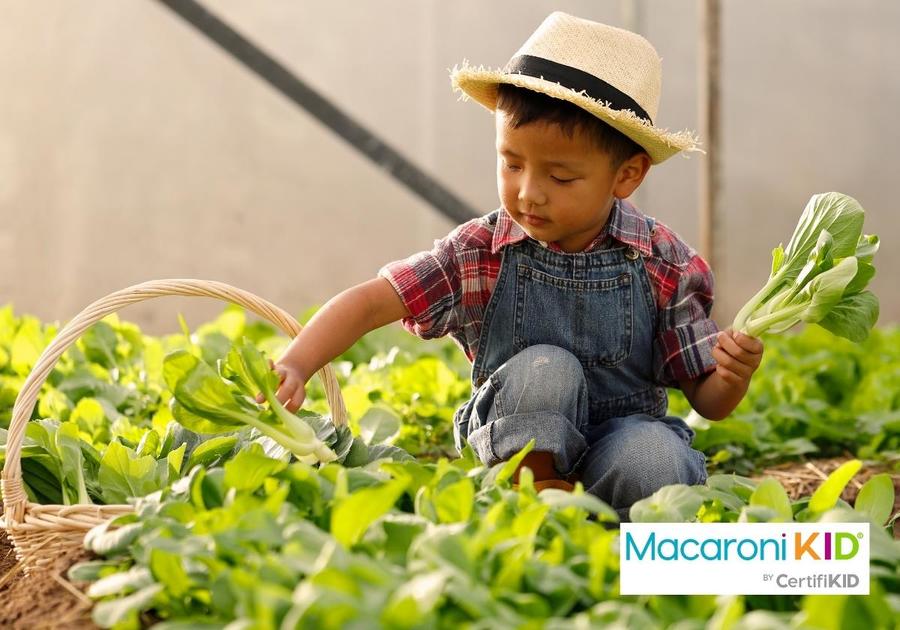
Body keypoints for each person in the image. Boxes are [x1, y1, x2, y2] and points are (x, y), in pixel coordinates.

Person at [262, 12, 764, 521]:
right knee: (547, 367)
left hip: (623, 431)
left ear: (627, 175)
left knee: (655, 462)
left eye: (561, 177)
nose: (528, 193)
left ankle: (593, 514)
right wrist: (298, 363)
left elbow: (709, 400)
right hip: (516, 437)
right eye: (512, 163)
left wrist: (732, 376)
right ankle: (535, 492)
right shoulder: (480, 251)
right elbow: (372, 301)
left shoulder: (663, 262)